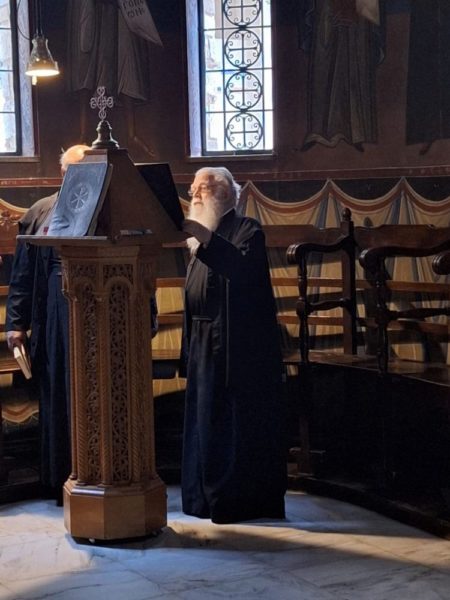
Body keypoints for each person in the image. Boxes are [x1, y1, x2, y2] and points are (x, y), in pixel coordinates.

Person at [180, 167, 287, 524]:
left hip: (232, 345)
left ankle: (229, 500)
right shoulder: (201, 239)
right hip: (201, 342)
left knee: (226, 421)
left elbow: (240, 271)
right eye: (193, 189)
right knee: (201, 420)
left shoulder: (247, 230)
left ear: (224, 193)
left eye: (201, 188)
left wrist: (204, 237)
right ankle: (200, 497)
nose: (194, 195)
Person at [5, 145, 91, 504]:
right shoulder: (41, 212)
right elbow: (22, 276)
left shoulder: (111, 209)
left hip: (98, 312)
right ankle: (60, 479)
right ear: (63, 174)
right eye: (73, 172)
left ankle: (99, 475)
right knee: (58, 392)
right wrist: (15, 324)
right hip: (54, 313)